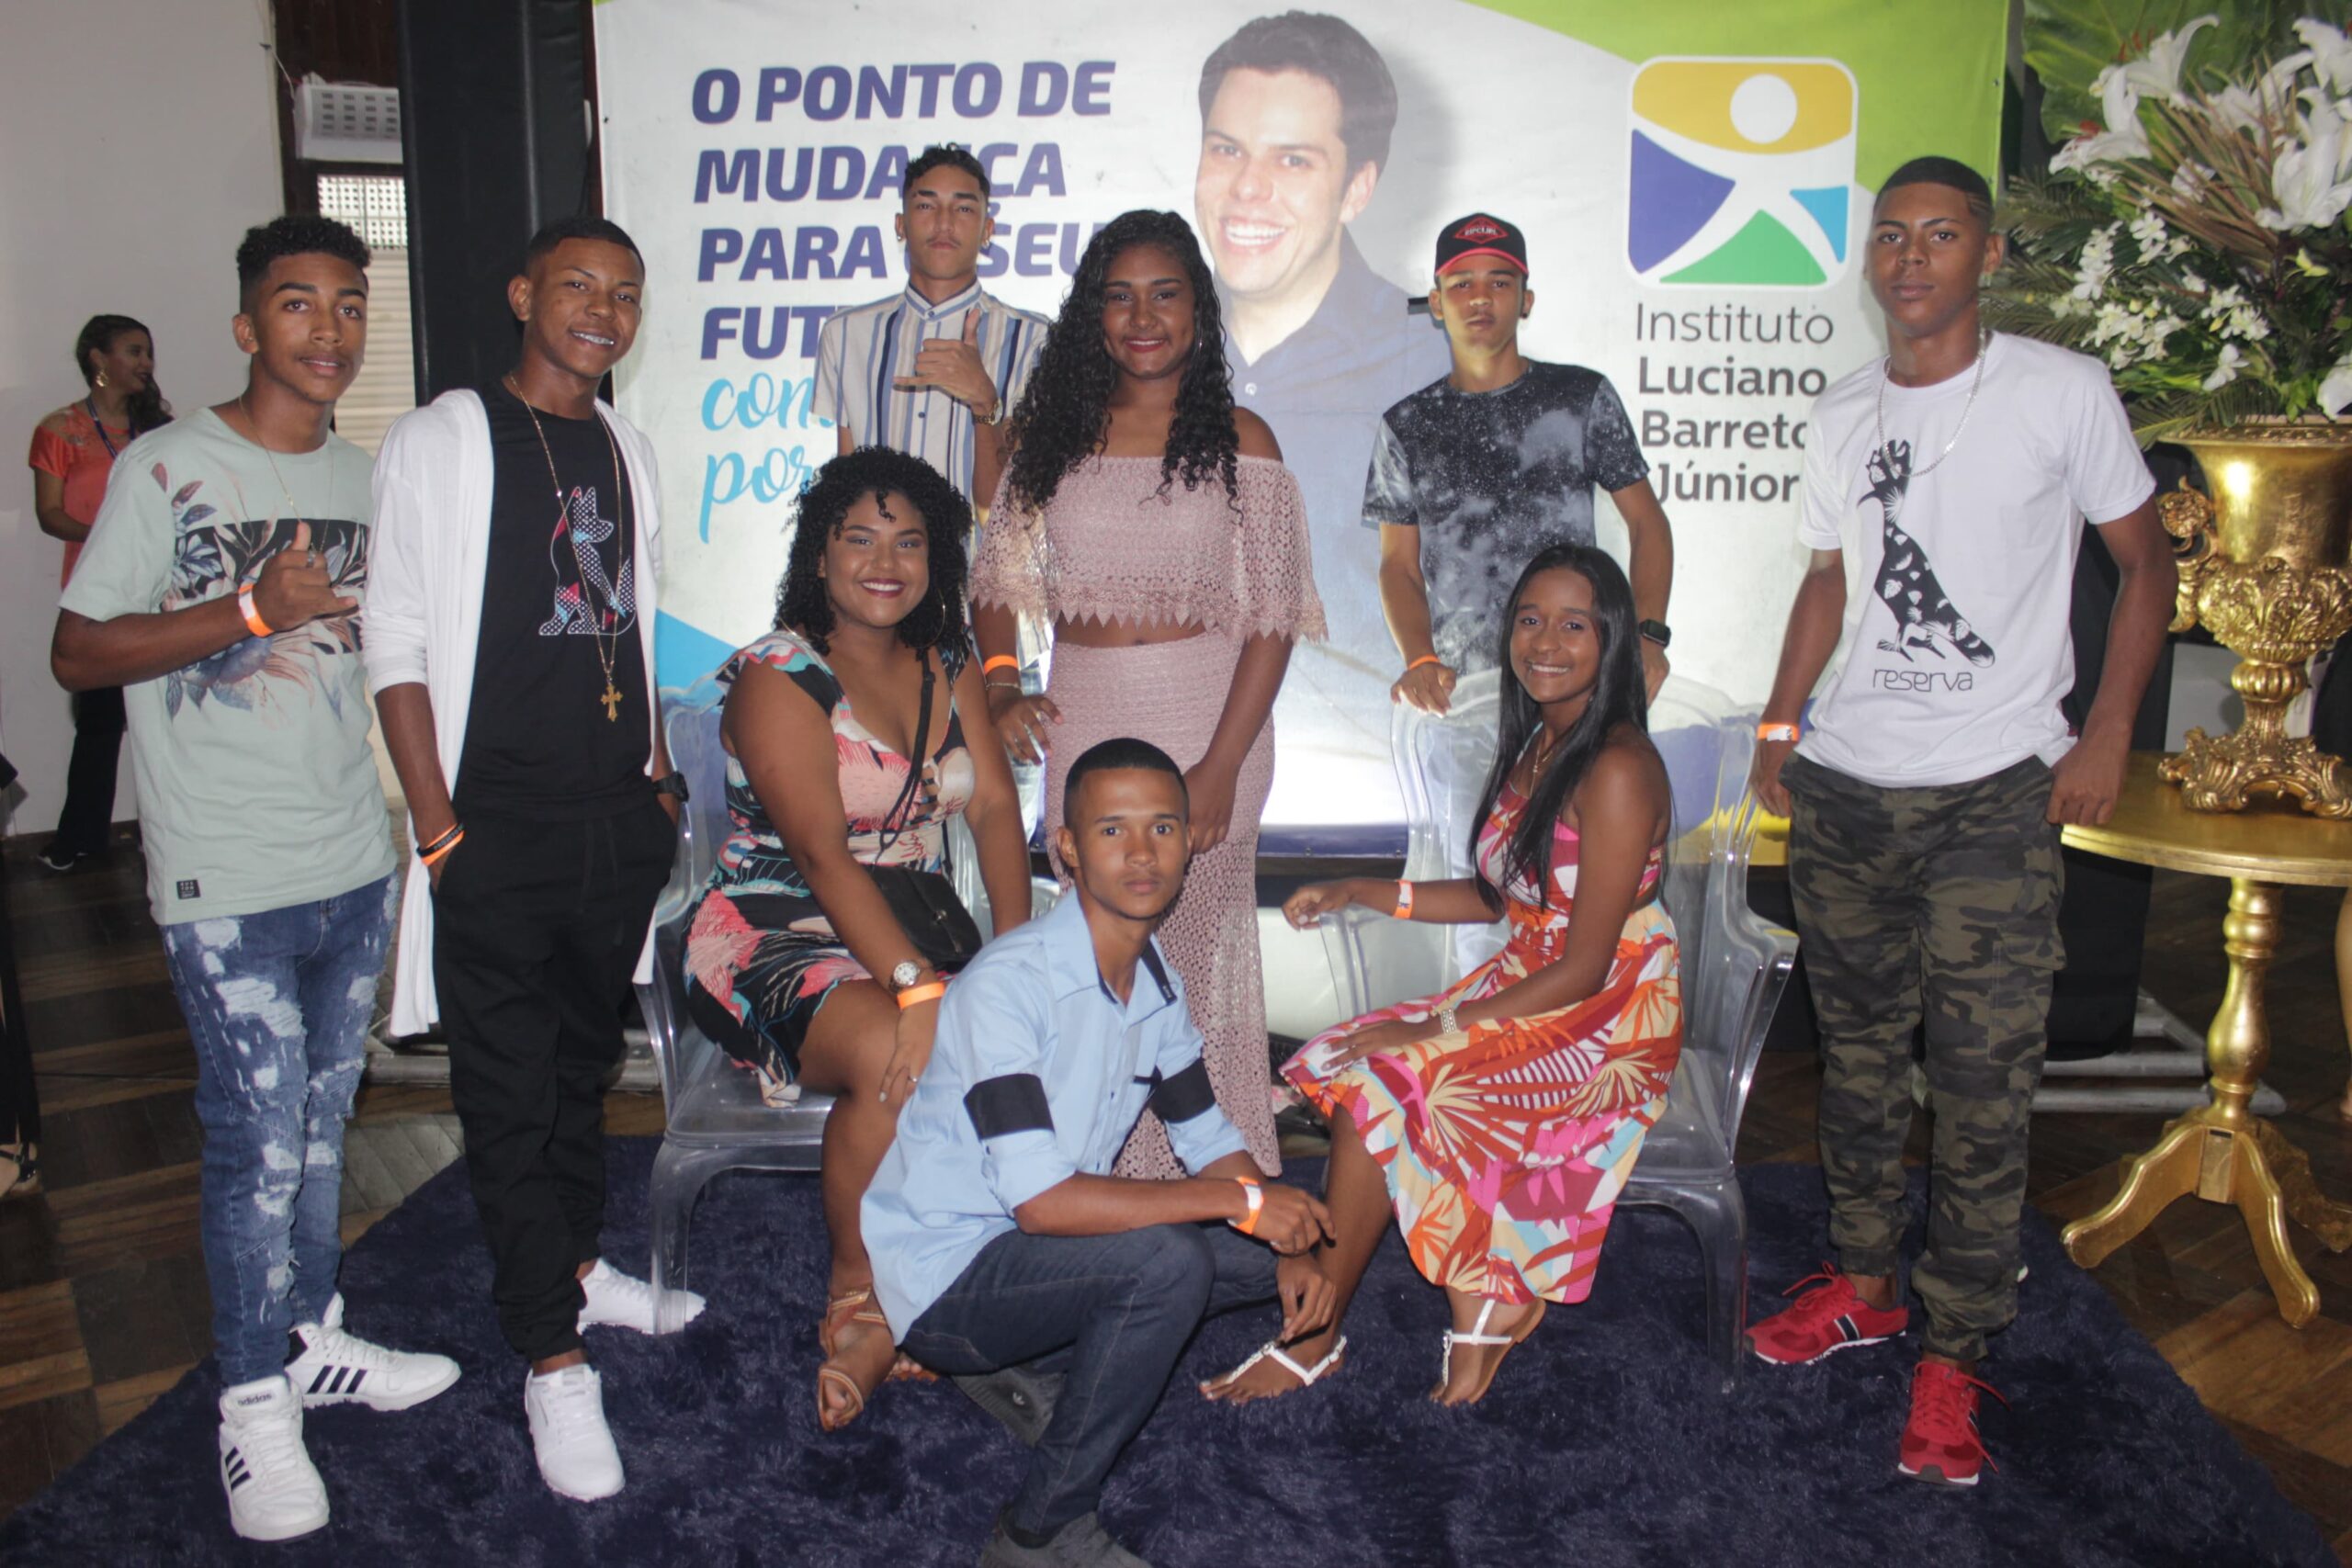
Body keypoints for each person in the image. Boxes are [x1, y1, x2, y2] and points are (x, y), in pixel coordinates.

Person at [1744, 157, 2173, 1487]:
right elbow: (1829, 577)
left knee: (1983, 1087)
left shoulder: (2059, 389)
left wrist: (2105, 731)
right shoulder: (1842, 410)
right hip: (1846, 787)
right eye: (1891, 236)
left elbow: (2147, 562)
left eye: (1940, 235)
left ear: (1987, 255)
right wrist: (1780, 719)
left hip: (1995, 790)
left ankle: (1957, 1349)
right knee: (1860, 1061)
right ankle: (1864, 1281)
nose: (1911, 257)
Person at [50, 216, 458, 1543]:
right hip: (226, 872)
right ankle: (248, 1399)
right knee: (255, 1141)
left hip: (349, 856)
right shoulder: (167, 467)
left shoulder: (364, 474)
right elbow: (77, 650)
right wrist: (247, 612)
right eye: (297, 304)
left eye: (348, 306)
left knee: (323, 1126)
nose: (328, 329)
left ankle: (308, 1334)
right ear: (246, 326)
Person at [368, 214, 686, 1504]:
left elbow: (635, 617)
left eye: (626, 292)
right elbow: (396, 639)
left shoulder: (625, 444)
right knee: (506, 1095)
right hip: (492, 827)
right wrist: (439, 830)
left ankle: (578, 1268)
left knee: (575, 1071)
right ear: (521, 294)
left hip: (614, 824)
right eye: (577, 286)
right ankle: (551, 1359)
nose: (603, 310)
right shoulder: (445, 437)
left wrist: (655, 777)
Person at [1205, 543, 1680, 1408]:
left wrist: (1433, 1029)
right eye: (1529, 620)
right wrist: (1366, 889)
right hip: (1533, 977)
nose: (1545, 642)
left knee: (1387, 1078)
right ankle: (1476, 1291)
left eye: (1574, 625)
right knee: (1355, 1059)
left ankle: (1318, 1334)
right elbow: (1501, 896)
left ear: (1612, 637)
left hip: (1608, 1010)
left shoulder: (1616, 766)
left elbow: (1585, 963)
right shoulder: (1542, 739)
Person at [864, 738, 1336, 1568]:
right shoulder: (1009, 985)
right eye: (1113, 830)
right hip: (949, 1279)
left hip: (1034, 1256)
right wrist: (1241, 1202)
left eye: (1162, 827)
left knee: (1268, 1250)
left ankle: (1033, 1366)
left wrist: (1286, 1235)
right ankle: (1039, 1531)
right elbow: (1043, 1203)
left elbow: (1205, 1136)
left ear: (1188, 844)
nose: (1142, 852)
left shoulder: (1155, 981)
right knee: (1169, 1262)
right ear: (1069, 848)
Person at [681, 446, 1034, 1428]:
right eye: (860, 539)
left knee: (1016, 1034)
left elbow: (994, 809)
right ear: (820, 554)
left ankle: (964, 1261)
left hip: (911, 921)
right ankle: (859, 1290)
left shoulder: (948, 662)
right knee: (897, 1047)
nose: (886, 562)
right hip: (770, 928)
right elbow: (822, 856)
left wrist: (1017, 957)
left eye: (909, 542)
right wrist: (917, 990)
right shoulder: (778, 674)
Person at [973, 209, 1326, 1180]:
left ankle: (1205, 1182)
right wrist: (1001, 686)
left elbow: (1272, 618)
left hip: (1210, 721)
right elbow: (994, 579)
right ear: (1091, 315)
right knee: (1096, 961)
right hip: (1086, 712)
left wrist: (1219, 766)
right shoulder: (1052, 437)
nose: (1142, 317)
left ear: (1198, 312)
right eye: (1118, 297)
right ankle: (1095, 1177)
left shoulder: (1242, 438)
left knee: (1188, 975)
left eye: (1164, 294)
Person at [1193, 11, 1452, 812]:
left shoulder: (1432, 363)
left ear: (1358, 188)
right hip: (1162, 795)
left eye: (1292, 159)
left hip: (1372, 803)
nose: (1248, 188)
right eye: (1226, 149)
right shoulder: (1136, 354)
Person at [1373, 214, 1676, 711]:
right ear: (1437, 303)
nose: (1479, 298)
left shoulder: (1580, 397)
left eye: (1499, 282)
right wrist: (1420, 658)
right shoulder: (1406, 425)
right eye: (1462, 283)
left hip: (1577, 687)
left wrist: (1647, 637)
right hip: (1461, 698)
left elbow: (1647, 523)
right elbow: (1398, 565)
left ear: (1525, 300)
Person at [815, 144, 1051, 508]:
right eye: (926, 205)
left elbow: (1019, 506)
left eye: (963, 208)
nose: (944, 223)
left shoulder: (1033, 339)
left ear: (987, 230)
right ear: (901, 225)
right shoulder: (846, 334)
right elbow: (845, 487)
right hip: (882, 546)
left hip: (981, 546)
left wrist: (984, 401)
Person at [28, 314, 171, 872]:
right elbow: (49, 514)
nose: (145, 363)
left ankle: (169, 830)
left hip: (160, 593)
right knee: (100, 726)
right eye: (134, 351)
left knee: (170, 722)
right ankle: (80, 839)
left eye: (148, 352)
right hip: (99, 600)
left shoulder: (159, 430)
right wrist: (109, 538)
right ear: (98, 359)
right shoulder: (59, 430)